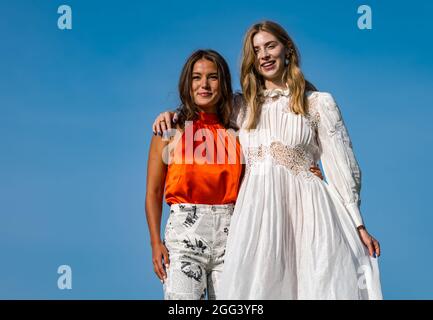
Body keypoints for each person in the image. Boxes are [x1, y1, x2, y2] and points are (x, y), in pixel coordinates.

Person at [152, 21, 382, 299]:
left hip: (307, 212)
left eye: (270, 45)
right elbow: (204, 109)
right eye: (257, 50)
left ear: (288, 50)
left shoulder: (319, 103)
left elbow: (342, 167)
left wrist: (357, 224)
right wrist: (172, 116)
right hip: (255, 216)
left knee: (314, 283)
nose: (264, 54)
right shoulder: (242, 107)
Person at [145, 49, 323, 300]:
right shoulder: (169, 129)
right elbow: (152, 191)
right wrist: (155, 242)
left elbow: (271, 156)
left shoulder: (239, 131)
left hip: (233, 233)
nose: (204, 84)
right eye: (196, 77)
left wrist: (305, 171)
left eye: (213, 77)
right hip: (184, 235)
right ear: (187, 83)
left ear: (224, 83)